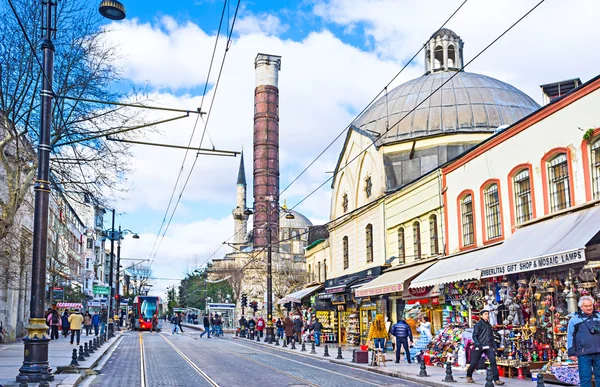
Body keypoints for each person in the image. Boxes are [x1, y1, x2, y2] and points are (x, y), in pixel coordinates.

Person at [568, 295, 600, 387]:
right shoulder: (574, 319)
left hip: (599, 352)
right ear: (581, 307)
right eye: (586, 306)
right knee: (585, 378)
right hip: (583, 353)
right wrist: (571, 353)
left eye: (591, 305)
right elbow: (570, 336)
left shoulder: (598, 316)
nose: (589, 308)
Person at [466, 309, 504, 385]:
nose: (487, 315)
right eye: (485, 314)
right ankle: (469, 375)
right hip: (480, 346)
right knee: (475, 362)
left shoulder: (488, 325)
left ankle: (496, 379)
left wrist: (495, 347)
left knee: (493, 362)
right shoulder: (478, 324)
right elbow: (474, 335)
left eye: (488, 314)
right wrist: (478, 344)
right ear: (481, 315)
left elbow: (491, 337)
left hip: (488, 346)